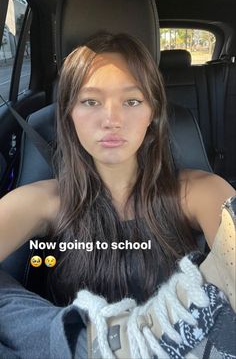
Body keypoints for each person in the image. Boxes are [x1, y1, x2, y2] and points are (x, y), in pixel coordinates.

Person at [0, 32, 235, 358]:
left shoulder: (201, 192)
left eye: (132, 101)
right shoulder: (44, 201)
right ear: (69, 113)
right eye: (90, 101)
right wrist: (70, 335)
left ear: (152, 112)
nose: (111, 120)